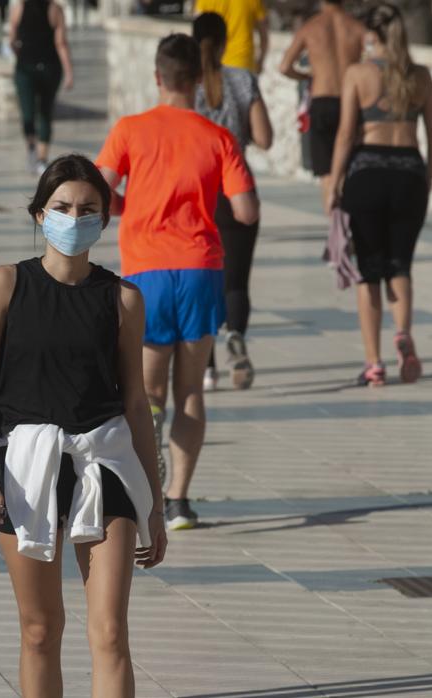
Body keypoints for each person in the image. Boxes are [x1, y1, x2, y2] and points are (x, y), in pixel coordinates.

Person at [0, 154, 167, 697]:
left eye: (87, 209)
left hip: (107, 464)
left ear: (105, 218)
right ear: (39, 213)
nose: (74, 219)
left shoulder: (123, 298)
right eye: (63, 207)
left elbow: (137, 403)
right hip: (27, 468)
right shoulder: (6, 284)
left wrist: (156, 505)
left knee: (111, 632)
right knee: (40, 629)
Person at [96, 34, 258, 531]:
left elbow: (100, 192)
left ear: (158, 77)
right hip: (201, 269)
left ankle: (145, 485)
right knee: (191, 391)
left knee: (146, 391)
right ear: (199, 79)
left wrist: (133, 205)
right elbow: (246, 211)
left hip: (145, 272)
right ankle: (180, 500)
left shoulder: (130, 130)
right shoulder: (217, 137)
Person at [327, 4, 432, 387]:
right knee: (400, 265)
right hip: (409, 173)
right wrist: (427, 178)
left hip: (368, 174)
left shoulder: (358, 74)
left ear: (370, 35)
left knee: (368, 272)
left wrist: (335, 183)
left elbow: (344, 135)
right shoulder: (420, 75)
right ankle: (403, 333)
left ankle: (374, 363)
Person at [192, 12, 272, 391]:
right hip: (237, 187)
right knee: (235, 281)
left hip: (195, 191)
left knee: (201, 279)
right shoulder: (243, 80)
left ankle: (205, 367)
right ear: (226, 43)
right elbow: (265, 136)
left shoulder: (184, 85)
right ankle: (235, 336)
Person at [279, 0, 365, 210]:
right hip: (350, 101)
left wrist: (308, 76)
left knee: (326, 173)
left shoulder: (311, 27)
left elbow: (284, 67)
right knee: (347, 167)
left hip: (321, 100)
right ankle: (348, 225)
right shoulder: (357, 27)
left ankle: (335, 227)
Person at [8, 0, 73, 176]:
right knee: (45, 112)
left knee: (29, 113)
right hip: (49, 67)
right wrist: (68, 72)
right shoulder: (55, 10)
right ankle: (41, 159)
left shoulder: (18, 9)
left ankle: (33, 151)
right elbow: (61, 43)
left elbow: (12, 41)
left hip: (26, 68)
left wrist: (19, 52)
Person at [194, 0, 269, 74]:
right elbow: (264, 34)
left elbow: (198, 30)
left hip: (212, 61)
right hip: (242, 61)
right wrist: (261, 61)